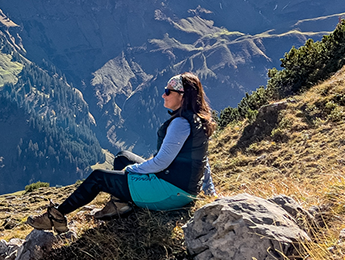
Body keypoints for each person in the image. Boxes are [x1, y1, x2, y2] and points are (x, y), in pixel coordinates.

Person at [28, 72, 217, 233]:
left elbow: (162, 162)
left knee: (98, 177)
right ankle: (121, 204)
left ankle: (56, 217)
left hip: (171, 192)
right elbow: (201, 158)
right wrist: (209, 190)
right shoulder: (194, 120)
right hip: (181, 189)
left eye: (168, 92)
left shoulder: (180, 123)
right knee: (122, 158)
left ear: (182, 96)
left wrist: (131, 171)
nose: (163, 95)